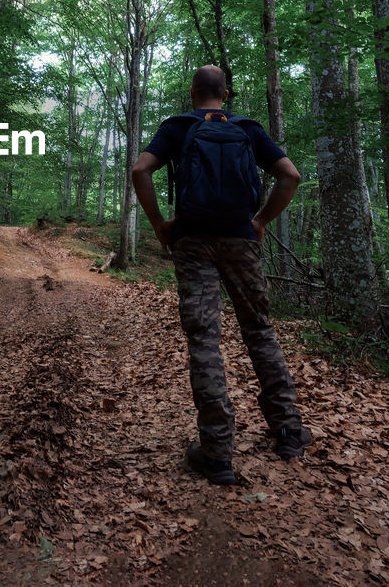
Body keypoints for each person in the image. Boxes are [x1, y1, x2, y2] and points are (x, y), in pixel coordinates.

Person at [130, 65, 312, 485]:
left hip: (193, 241)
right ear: (225, 94)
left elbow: (141, 170)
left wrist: (160, 223)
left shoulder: (177, 127)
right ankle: (287, 431)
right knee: (260, 331)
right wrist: (261, 220)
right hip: (240, 239)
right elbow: (290, 176)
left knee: (204, 340)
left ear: (192, 92)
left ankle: (217, 452)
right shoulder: (248, 128)